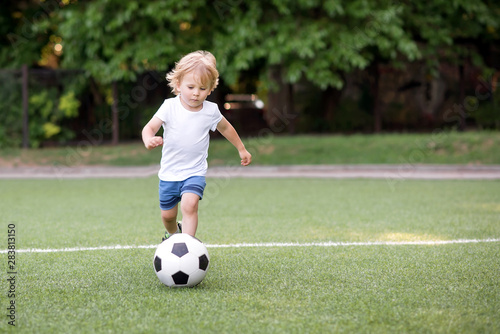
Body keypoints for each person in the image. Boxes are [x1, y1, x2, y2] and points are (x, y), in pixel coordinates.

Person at [142, 50, 252, 240]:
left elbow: (226, 128)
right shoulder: (169, 106)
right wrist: (149, 139)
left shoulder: (211, 111)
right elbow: (149, 128)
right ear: (178, 85)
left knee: (189, 206)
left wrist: (241, 149)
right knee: (168, 216)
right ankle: (173, 234)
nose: (196, 93)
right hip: (169, 173)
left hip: (194, 172)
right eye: (191, 86)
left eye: (202, 88)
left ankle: (187, 243)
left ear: (210, 89)